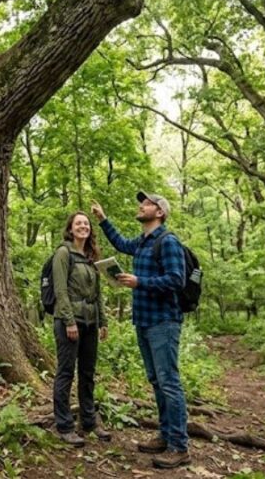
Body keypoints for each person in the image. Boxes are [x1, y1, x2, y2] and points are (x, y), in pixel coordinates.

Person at [91, 193, 191, 469]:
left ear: (159, 212)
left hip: (164, 322)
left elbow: (176, 279)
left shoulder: (167, 241)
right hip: (144, 322)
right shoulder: (144, 242)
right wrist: (103, 220)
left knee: (169, 382)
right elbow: (122, 244)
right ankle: (165, 434)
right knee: (157, 382)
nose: (141, 205)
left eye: (146, 203)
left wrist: (139, 282)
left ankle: (180, 446)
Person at [51, 211, 111, 446]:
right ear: (70, 228)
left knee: (87, 373)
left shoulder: (91, 257)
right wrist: (69, 321)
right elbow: (60, 290)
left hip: (90, 322)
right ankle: (64, 425)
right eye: (78, 223)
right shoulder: (63, 253)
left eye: (86, 223)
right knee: (66, 372)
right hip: (69, 322)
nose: (83, 226)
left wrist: (103, 321)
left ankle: (89, 422)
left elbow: (98, 294)